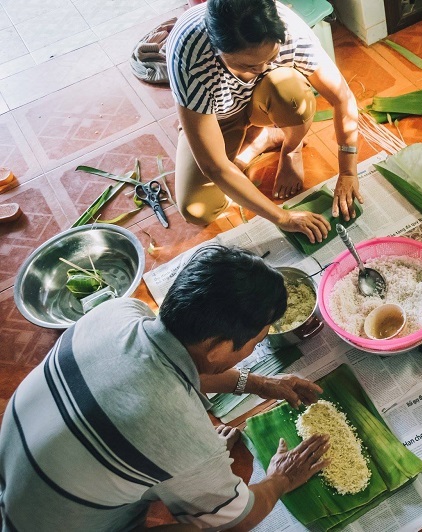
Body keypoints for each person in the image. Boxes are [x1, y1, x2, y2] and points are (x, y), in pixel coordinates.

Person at [0, 245, 330, 531]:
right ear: (216, 348)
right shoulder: (180, 430)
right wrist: (281, 478)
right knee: (194, 528)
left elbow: (170, 369)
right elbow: (239, 519)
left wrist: (259, 383)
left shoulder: (119, 311)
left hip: (17, 484)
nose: (252, 351)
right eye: (255, 342)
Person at [166, 0, 363, 243]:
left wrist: (347, 171)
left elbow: (342, 98)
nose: (261, 69)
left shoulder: (290, 30)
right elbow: (213, 167)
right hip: (218, 117)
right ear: (218, 49)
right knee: (197, 209)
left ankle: (290, 147)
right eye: (247, 65)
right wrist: (283, 218)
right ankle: (261, 140)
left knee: (291, 95)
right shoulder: (190, 56)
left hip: (267, 101)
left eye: (271, 57)